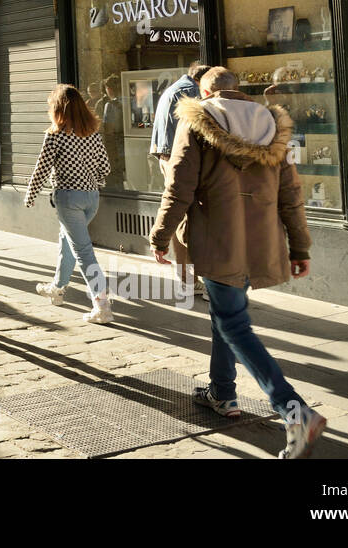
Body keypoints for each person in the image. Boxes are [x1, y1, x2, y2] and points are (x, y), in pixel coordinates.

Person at [149, 66, 325, 458]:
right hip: (259, 242)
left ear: (206, 91)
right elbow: (291, 193)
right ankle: (223, 393)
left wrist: (160, 236)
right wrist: (300, 247)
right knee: (225, 317)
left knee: (233, 324)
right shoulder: (271, 123)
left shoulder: (197, 120)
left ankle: (294, 411)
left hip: (217, 241)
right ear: (238, 91)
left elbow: (179, 184)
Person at [24, 84, 113, 322]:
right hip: (91, 197)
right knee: (68, 243)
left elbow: (41, 169)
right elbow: (105, 168)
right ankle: (57, 288)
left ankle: (102, 305)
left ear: (57, 109)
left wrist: (30, 195)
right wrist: (93, 182)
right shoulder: (92, 134)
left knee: (83, 251)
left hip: (68, 197)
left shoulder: (54, 136)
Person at [150, 62, 210, 297]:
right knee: (189, 217)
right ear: (203, 82)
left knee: (180, 213)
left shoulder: (175, 87)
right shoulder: (192, 93)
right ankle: (193, 280)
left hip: (168, 156)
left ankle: (187, 279)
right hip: (180, 159)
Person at [99, 74, 125, 188]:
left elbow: (109, 129)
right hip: (127, 144)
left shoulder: (109, 105)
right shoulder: (130, 101)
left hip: (114, 145)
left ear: (108, 89)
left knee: (114, 176)